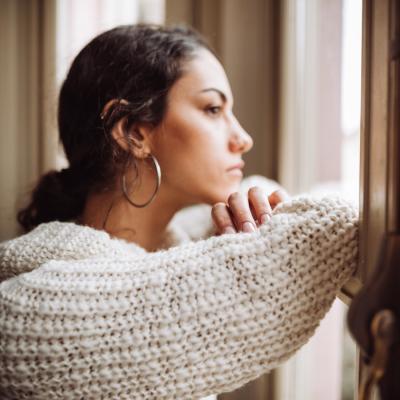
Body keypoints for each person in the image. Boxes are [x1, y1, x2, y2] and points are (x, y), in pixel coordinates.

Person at [0, 24, 358, 399]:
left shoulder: (168, 249)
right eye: (213, 109)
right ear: (133, 132)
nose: (242, 137)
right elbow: (326, 228)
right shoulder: (40, 313)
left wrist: (259, 198)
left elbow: (249, 200)